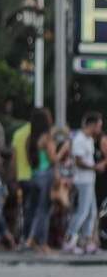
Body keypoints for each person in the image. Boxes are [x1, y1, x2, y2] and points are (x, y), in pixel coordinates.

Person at [21, 108, 64, 254]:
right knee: (44, 212)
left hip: (34, 175)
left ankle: (31, 239)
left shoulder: (30, 139)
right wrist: (63, 151)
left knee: (34, 209)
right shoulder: (47, 138)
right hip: (46, 175)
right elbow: (53, 159)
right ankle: (41, 242)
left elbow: (28, 160)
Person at [64, 112, 105, 254]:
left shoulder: (89, 140)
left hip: (90, 179)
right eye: (99, 126)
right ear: (93, 126)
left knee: (92, 212)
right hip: (82, 180)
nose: (100, 130)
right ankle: (69, 239)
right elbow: (79, 161)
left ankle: (88, 242)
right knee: (82, 211)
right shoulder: (80, 139)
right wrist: (94, 167)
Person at [11, 119, 34, 248]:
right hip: (33, 175)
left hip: (22, 176)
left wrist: (14, 177)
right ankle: (28, 237)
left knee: (27, 209)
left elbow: (14, 158)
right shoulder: (37, 133)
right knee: (33, 210)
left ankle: (26, 237)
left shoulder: (18, 133)